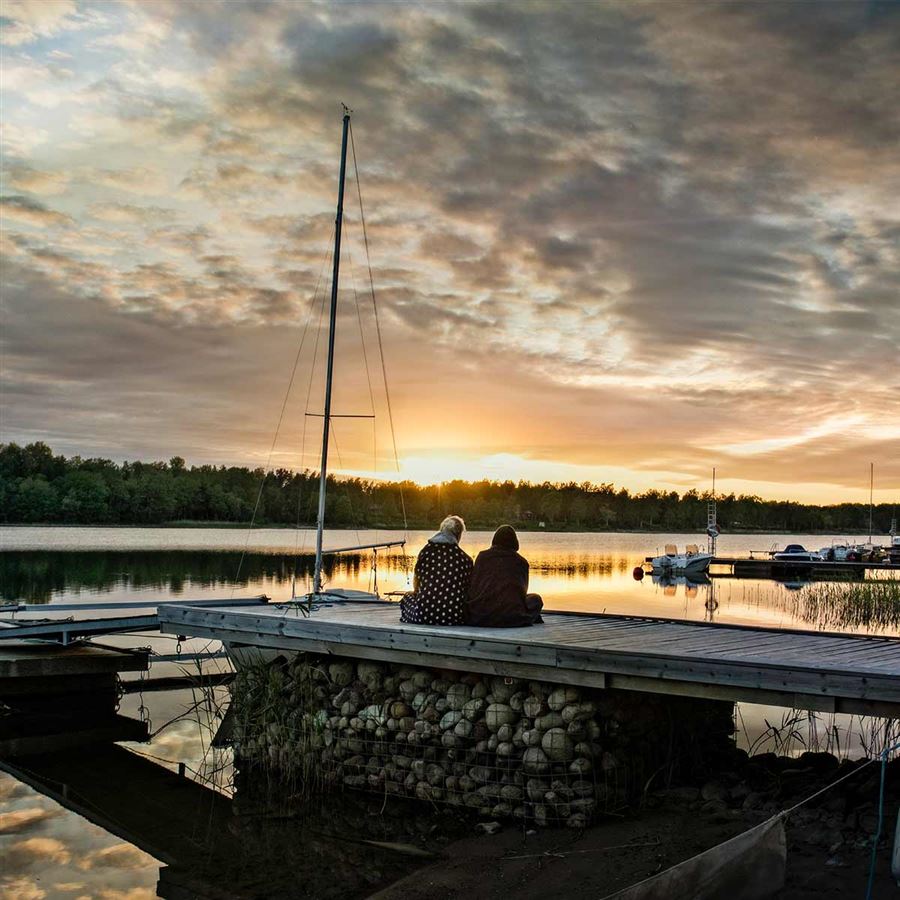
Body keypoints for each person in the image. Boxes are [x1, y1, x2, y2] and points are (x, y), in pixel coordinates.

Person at [400, 515, 473, 626]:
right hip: (454, 616)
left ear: (442, 530)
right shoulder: (465, 559)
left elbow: (417, 584)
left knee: (407, 597)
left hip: (425, 615)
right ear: (458, 535)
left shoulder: (426, 552)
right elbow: (468, 590)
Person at [465, 525, 543, 627]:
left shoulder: (482, 557)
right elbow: (521, 593)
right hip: (510, 617)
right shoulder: (521, 562)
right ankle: (527, 617)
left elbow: (474, 587)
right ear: (515, 543)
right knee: (535, 599)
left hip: (480, 615)